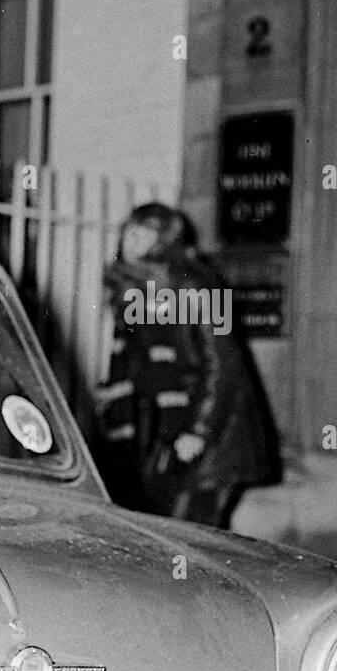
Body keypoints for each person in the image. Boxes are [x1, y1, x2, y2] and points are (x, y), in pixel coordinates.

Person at [96, 203, 277, 526]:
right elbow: (131, 363)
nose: (133, 241)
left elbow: (223, 363)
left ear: (165, 241)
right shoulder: (132, 289)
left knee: (190, 538)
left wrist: (199, 431)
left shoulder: (200, 285)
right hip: (163, 435)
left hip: (211, 437)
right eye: (130, 232)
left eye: (145, 234)